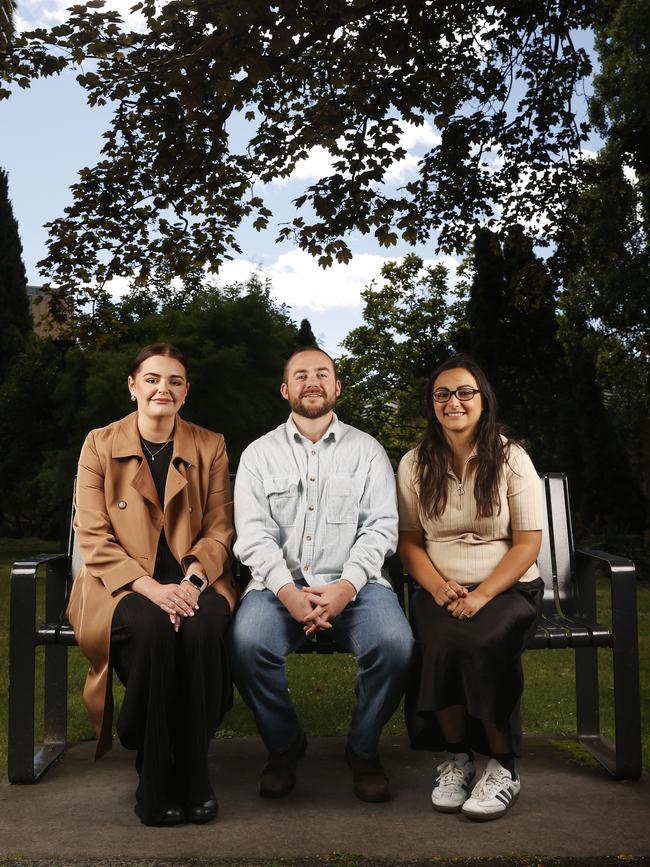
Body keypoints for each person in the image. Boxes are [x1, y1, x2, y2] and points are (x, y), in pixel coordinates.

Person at [229, 346, 414, 803]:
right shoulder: (258, 455)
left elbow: (381, 529)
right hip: (277, 588)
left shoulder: (367, 451)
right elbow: (252, 536)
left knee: (395, 645)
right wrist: (290, 594)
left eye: (322, 374)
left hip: (358, 585)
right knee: (247, 644)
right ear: (285, 389)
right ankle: (285, 745)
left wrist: (346, 588)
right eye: (301, 375)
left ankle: (363, 748)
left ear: (336, 387)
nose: (312, 381)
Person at [66, 342, 237, 827]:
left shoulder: (211, 444)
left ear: (185, 392)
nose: (164, 388)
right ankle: (155, 771)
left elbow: (221, 527)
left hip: (194, 579)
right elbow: (93, 537)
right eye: (153, 379)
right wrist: (154, 589)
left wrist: (192, 579)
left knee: (203, 632)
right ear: (133, 386)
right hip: (119, 585)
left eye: (175, 381)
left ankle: (194, 772)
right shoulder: (99, 444)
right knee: (155, 631)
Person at [397, 355, 543, 821]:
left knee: (481, 639)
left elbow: (527, 544)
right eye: (442, 394)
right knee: (439, 637)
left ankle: (504, 766)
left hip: (508, 588)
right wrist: (440, 589)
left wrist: (482, 595)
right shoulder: (415, 462)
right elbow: (409, 542)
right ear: (432, 404)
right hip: (440, 587)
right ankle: (457, 758)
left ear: (483, 399)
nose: (453, 401)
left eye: (464, 392)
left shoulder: (511, 459)